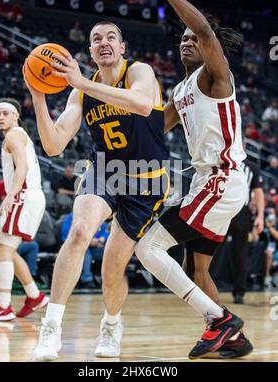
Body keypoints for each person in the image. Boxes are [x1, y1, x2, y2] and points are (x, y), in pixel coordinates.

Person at [24, 20, 242, 362]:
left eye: (112, 37)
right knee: (80, 231)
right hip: (105, 172)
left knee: (113, 267)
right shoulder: (81, 90)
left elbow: (142, 105)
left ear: (123, 48)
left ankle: (111, 325)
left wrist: (81, 81)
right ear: (91, 51)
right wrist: (38, 96)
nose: (103, 42)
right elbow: (53, 145)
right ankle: (51, 328)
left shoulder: (140, 71)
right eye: (96, 39)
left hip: (146, 181)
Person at [134, 0, 251, 359]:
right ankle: (232, 339)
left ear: (207, 45)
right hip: (210, 184)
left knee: (147, 248)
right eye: (181, 38)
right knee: (197, 270)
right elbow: (155, 129)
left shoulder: (215, 76)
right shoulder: (181, 90)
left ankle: (219, 319)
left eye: (193, 39)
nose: (187, 41)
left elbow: (202, 29)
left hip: (221, 180)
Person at [0, 98, 49, 321]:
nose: (0, 117)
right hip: (30, 196)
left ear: (16, 115)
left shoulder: (13, 135)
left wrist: (9, 197)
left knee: (2, 248)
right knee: (7, 249)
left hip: (24, 196)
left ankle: (3, 306)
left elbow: (23, 168)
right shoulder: (17, 136)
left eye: (5, 113)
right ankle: (34, 296)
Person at [213, 157, 265, 304]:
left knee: (240, 253)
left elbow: (259, 192)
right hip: (221, 209)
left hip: (241, 212)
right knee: (212, 249)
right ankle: (206, 287)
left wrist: (260, 216)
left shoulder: (251, 166)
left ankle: (239, 292)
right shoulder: (220, 161)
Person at [61, 213, 109, 288]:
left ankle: (108, 279)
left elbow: (106, 231)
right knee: (85, 252)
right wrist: (88, 241)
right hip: (78, 247)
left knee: (110, 251)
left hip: (96, 247)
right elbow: (66, 233)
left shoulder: (98, 215)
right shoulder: (74, 215)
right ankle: (87, 280)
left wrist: (102, 239)